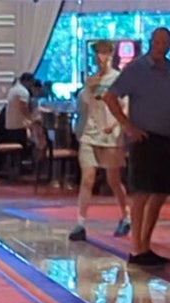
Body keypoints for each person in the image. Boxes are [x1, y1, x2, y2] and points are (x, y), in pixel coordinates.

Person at [104, 26, 170, 268]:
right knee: (141, 192)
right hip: (144, 138)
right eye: (157, 41)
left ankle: (145, 244)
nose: (161, 46)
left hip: (165, 139)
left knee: (160, 192)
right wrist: (127, 126)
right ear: (151, 42)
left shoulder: (168, 70)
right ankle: (137, 248)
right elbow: (111, 97)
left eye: (165, 42)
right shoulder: (137, 69)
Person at [69, 40, 130, 242]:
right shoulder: (90, 80)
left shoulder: (119, 79)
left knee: (113, 180)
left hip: (111, 136)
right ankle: (80, 222)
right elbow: (85, 105)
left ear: (111, 54)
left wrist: (115, 126)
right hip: (90, 134)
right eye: (96, 53)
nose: (99, 57)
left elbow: (125, 107)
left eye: (103, 53)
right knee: (87, 178)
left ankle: (125, 214)